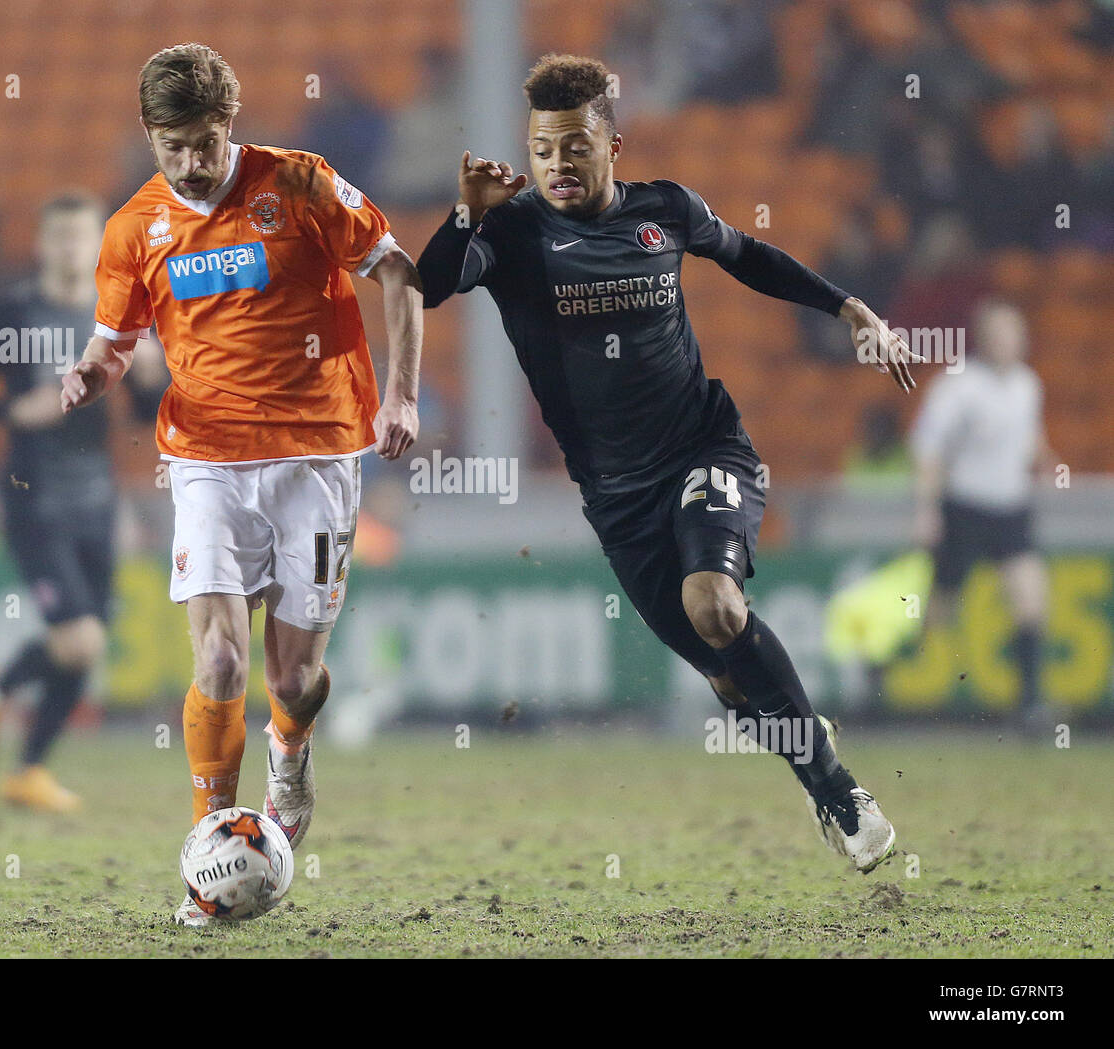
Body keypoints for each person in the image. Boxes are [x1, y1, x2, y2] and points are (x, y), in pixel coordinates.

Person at [417, 54, 916, 874]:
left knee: (714, 602)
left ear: (614, 142)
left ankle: (838, 791)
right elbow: (433, 285)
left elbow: (748, 254)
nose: (557, 164)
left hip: (703, 447)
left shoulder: (667, 210)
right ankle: (805, 743)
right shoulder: (511, 233)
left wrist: (847, 307)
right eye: (543, 149)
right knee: (728, 679)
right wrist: (466, 216)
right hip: (616, 499)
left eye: (576, 145)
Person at [58, 43, 423, 924]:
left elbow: (398, 271)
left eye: (209, 141)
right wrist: (87, 374)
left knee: (293, 678)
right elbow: (114, 343)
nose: (194, 161)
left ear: (233, 124)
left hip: (318, 452)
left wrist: (402, 393)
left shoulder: (297, 185)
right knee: (218, 657)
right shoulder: (132, 229)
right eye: (176, 144)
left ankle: (289, 753)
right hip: (206, 460)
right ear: (151, 136)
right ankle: (208, 856)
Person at [0, 193, 162, 811]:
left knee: (88, 642)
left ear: (99, 244)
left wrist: (152, 380)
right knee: (80, 641)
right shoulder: (14, 311)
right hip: (33, 495)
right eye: (60, 238)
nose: (71, 250)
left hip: (97, 495)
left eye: (82, 238)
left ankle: (28, 770)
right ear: (44, 244)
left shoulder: (119, 311)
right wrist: (10, 410)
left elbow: (148, 414)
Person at [909, 298, 1052, 730]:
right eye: (1002, 334)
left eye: (1016, 333)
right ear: (985, 339)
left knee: (1031, 598)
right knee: (941, 606)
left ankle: (1030, 705)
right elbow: (928, 450)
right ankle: (887, 676)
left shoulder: (1029, 384)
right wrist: (927, 510)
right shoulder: (958, 386)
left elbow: (1029, 438)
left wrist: (1046, 459)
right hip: (965, 508)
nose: (1011, 342)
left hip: (1011, 509)